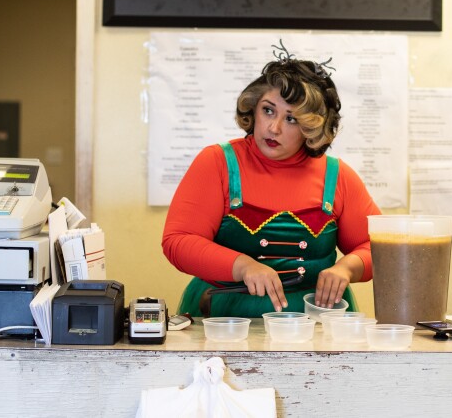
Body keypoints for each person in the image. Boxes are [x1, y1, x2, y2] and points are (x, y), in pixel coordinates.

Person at [162, 44, 380, 318]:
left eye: (291, 119)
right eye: (268, 110)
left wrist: (348, 268)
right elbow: (178, 241)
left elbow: (380, 248)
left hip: (314, 323)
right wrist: (243, 266)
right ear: (253, 109)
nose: (273, 128)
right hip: (227, 318)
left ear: (311, 128)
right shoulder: (216, 162)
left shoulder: (338, 177)